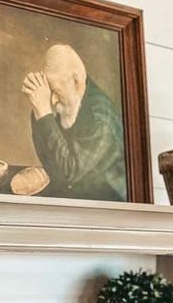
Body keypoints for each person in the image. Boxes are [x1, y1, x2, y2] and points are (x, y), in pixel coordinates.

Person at [21, 43, 126, 201]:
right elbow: (51, 163)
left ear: (76, 81)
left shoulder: (100, 119)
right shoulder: (70, 102)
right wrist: (38, 108)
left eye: (56, 91)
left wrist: (43, 111)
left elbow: (68, 173)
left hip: (106, 204)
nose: (53, 100)